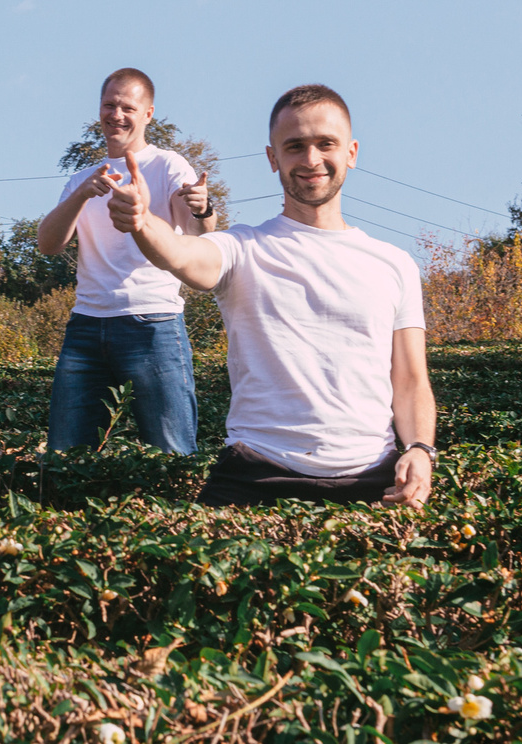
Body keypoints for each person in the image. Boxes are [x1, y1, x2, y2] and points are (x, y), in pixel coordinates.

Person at [106, 83, 434, 508]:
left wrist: (420, 450)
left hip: (372, 478)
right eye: (295, 146)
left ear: (351, 152)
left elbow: (409, 380)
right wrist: (142, 221)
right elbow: (183, 256)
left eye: (325, 144)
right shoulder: (243, 248)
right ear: (272, 158)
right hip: (255, 473)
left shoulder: (395, 264)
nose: (311, 159)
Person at [36, 68, 213, 454]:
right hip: (86, 327)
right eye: (109, 105)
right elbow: (48, 244)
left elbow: (200, 235)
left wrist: (204, 206)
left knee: (172, 455)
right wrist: (81, 193)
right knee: (66, 457)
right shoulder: (83, 178)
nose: (116, 114)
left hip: (153, 324)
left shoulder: (168, 165)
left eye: (128, 107)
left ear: (148, 113)